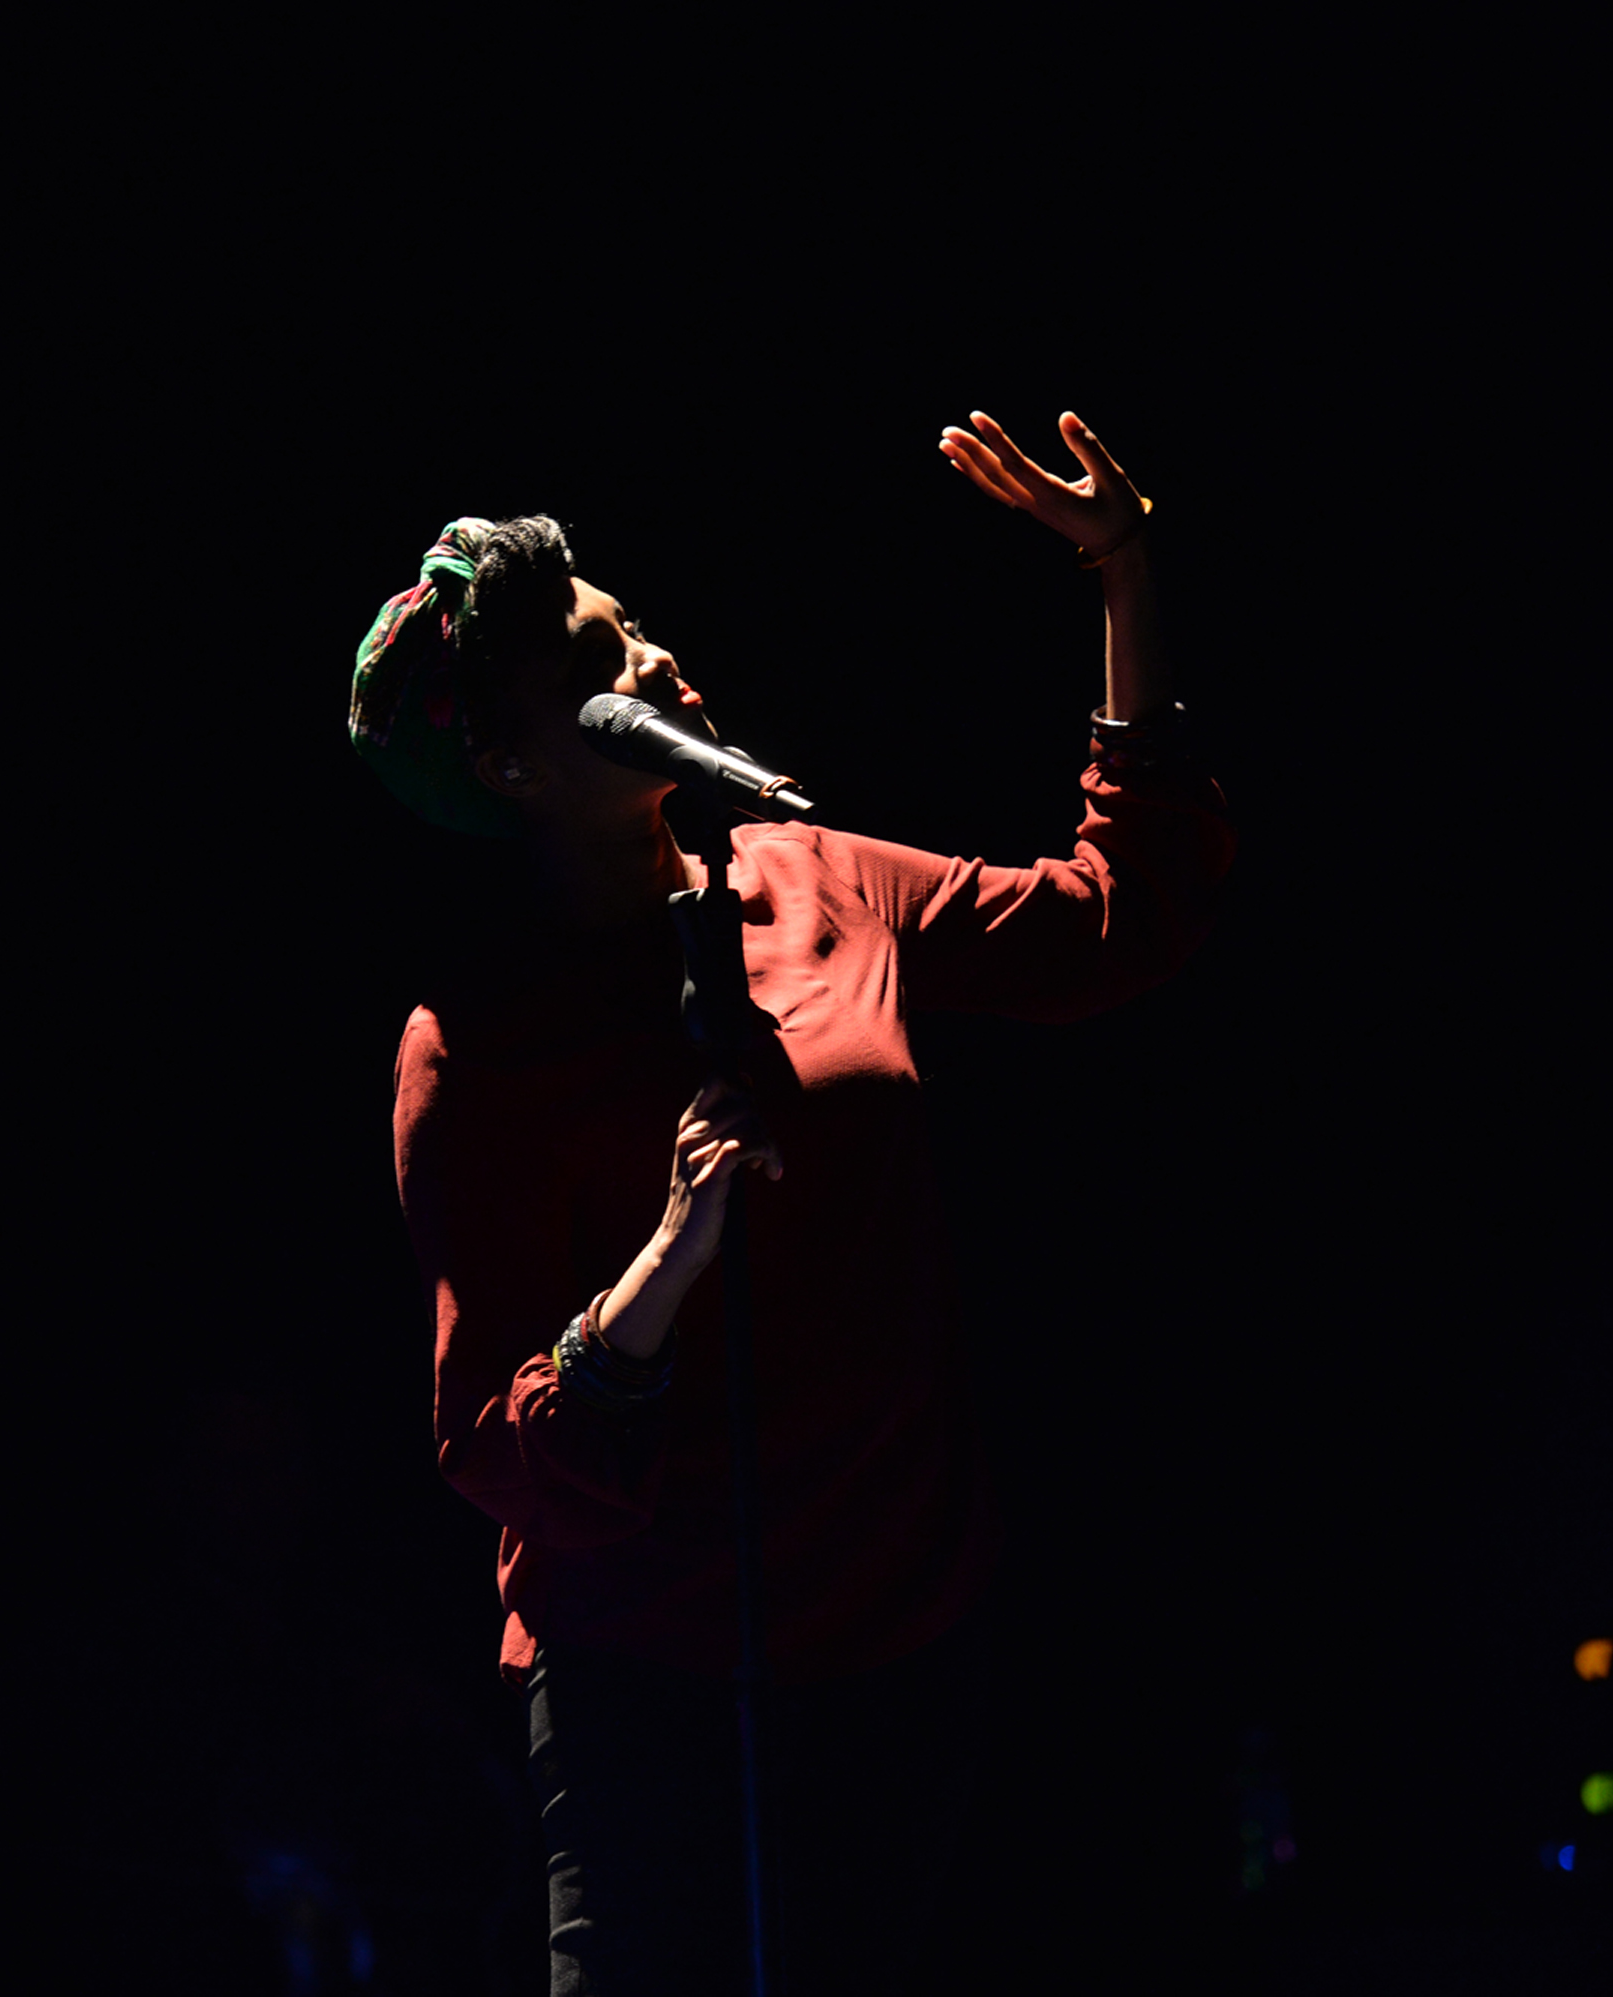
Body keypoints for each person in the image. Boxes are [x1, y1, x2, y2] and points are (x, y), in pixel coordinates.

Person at [351, 408, 1237, 1994]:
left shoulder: (815, 878)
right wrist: (666, 1262)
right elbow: (488, 1438)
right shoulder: (473, 1047)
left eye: (635, 622)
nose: (657, 660)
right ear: (511, 766)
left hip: (903, 1641)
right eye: (602, 666)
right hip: (649, 1689)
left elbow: (1120, 919)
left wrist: (1124, 570)